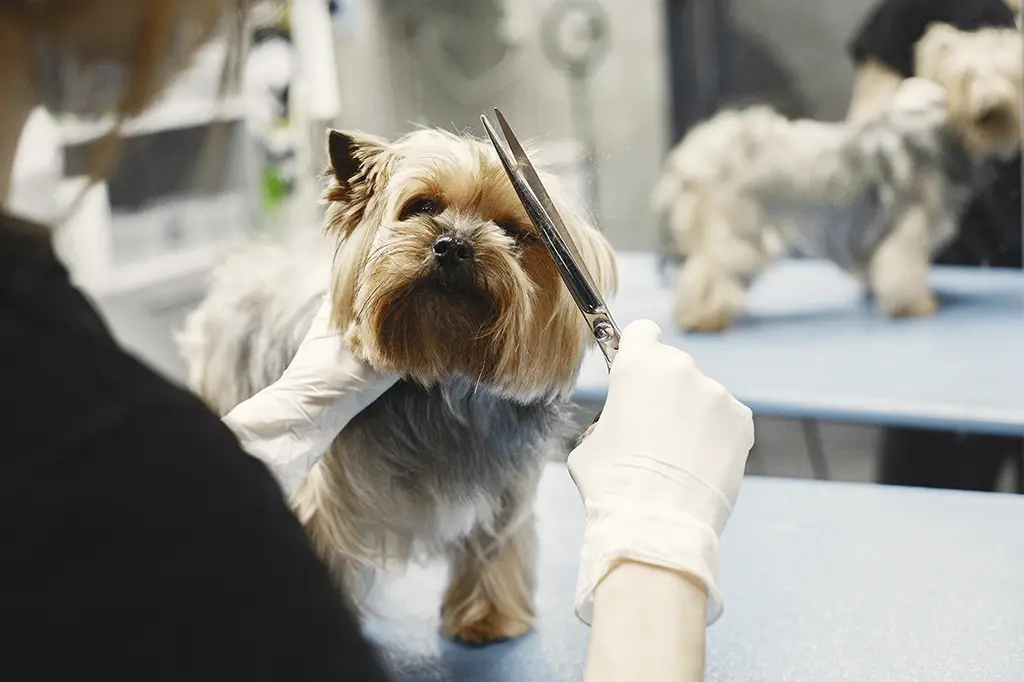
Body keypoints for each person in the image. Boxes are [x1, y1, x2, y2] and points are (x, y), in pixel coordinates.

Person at [1, 3, 755, 682]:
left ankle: (483, 595)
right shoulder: (103, 456)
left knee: (498, 511)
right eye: (425, 207)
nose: (457, 240)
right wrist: (659, 547)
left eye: (510, 232)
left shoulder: (74, 420)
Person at [846, 0, 1023, 492]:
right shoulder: (920, 7)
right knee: (931, 508)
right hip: (944, 305)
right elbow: (859, 137)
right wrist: (894, 118)